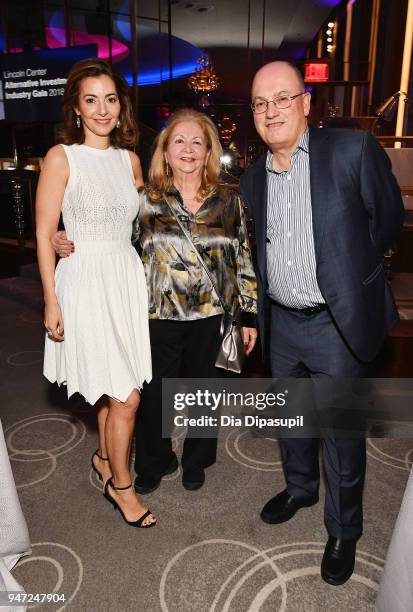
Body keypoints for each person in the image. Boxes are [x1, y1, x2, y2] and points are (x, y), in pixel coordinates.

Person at [239, 61, 404, 585]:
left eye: (282, 98)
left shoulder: (350, 151)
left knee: (340, 433)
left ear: (306, 103)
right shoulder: (251, 176)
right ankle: (301, 489)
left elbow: (389, 218)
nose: (272, 111)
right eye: (262, 104)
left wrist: (352, 271)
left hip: (336, 323)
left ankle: (344, 529)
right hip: (281, 323)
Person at [53, 108, 258, 493]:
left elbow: (244, 258)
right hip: (154, 313)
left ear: (208, 151)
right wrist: (62, 238)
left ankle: (197, 460)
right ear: (164, 151)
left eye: (197, 141)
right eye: (178, 140)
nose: (188, 149)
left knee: (206, 394)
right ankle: (154, 460)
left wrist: (249, 316)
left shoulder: (229, 200)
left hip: (214, 315)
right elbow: (107, 239)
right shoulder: (143, 200)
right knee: (152, 397)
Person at [36, 58, 156, 528]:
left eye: (110, 99)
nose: (103, 109)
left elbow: (147, 218)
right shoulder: (61, 157)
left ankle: (105, 458)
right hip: (84, 280)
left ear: (120, 106)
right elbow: (47, 232)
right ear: (77, 109)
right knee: (127, 396)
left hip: (123, 278)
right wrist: (50, 298)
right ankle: (121, 487)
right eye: (92, 100)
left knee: (113, 388)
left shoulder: (129, 159)